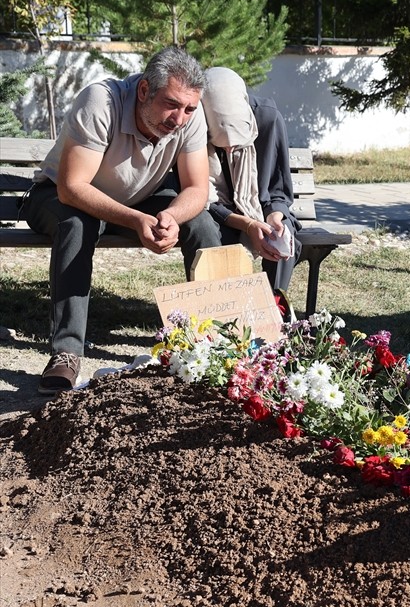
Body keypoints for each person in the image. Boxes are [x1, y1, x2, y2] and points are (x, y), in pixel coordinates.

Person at [21, 45, 220, 394]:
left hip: (136, 201)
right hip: (59, 197)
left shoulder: (190, 114)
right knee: (77, 225)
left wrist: (171, 216)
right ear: (144, 90)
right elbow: (71, 188)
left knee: (201, 223)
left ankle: (211, 343)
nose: (179, 119)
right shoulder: (101, 101)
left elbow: (197, 189)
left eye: (188, 108)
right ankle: (66, 354)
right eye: (171, 105)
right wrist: (136, 220)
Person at [202, 67, 300, 295]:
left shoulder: (267, 118)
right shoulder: (197, 122)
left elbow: (278, 188)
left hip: (262, 208)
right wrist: (246, 224)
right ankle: (225, 310)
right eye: (221, 142)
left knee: (281, 233)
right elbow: (204, 197)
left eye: (236, 142)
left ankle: (275, 305)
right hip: (219, 212)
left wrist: (275, 215)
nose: (229, 149)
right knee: (214, 235)